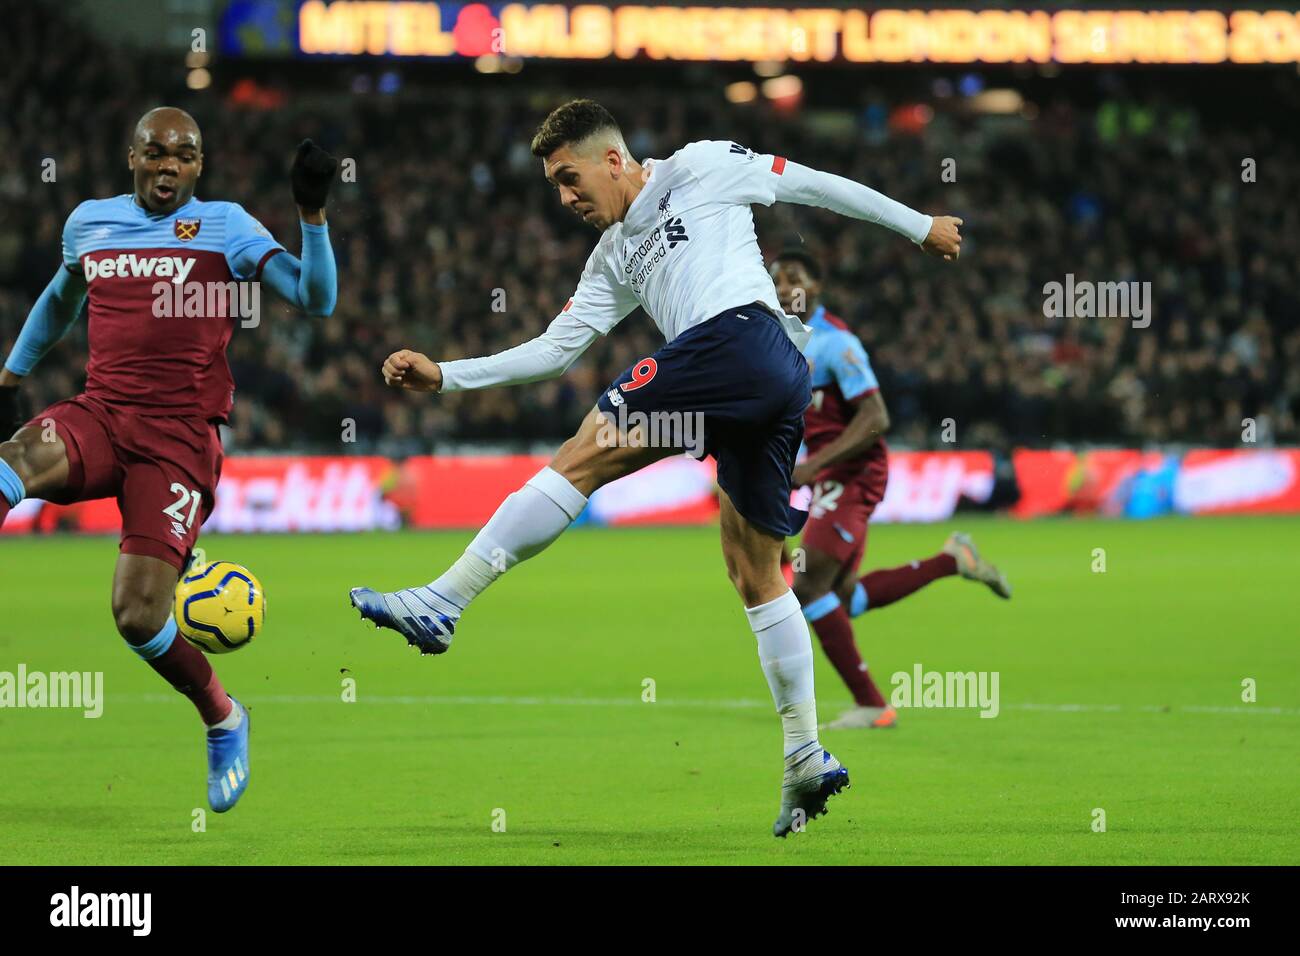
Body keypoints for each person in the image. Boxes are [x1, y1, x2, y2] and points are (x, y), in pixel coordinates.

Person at [350, 99, 961, 836]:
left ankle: (445, 600)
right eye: (554, 187)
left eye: (570, 179)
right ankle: (805, 752)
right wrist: (447, 375)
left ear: (613, 159)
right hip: (769, 387)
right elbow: (554, 349)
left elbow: (811, 182)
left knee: (582, 455)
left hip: (737, 339)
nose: (566, 198)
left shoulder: (702, 165)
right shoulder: (611, 256)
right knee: (754, 570)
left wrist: (918, 225)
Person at [0, 108, 338, 812]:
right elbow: (60, 302)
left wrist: (312, 213)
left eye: (183, 156)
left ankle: (223, 716)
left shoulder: (228, 226)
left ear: (199, 166)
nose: (168, 166)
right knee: (9, 465)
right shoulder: (89, 222)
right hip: (99, 413)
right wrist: (10, 376)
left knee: (137, 617)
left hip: (178, 441)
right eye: (155, 153)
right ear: (132, 156)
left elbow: (316, 299)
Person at [771, 249, 1011, 732]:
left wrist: (811, 466)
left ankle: (871, 703)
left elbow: (876, 417)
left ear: (816, 286)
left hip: (855, 472)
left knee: (809, 586)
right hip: (831, 474)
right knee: (840, 594)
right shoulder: (783, 340)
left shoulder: (837, 345)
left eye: (793, 278)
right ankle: (952, 559)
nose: (782, 287)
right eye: (775, 279)